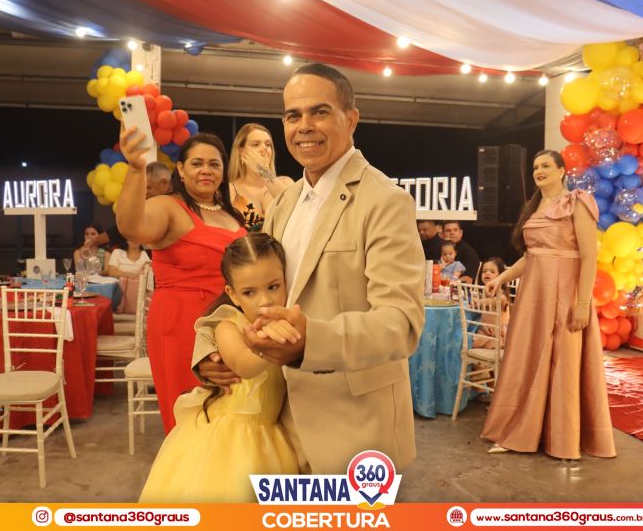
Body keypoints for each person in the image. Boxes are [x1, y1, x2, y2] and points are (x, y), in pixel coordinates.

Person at [196, 63, 425, 474]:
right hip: (280, 420)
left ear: (350, 119)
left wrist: (308, 342)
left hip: (353, 427)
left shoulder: (384, 200)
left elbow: (400, 323)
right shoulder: (284, 202)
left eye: (319, 112)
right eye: (292, 115)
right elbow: (249, 288)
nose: (304, 126)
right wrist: (209, 349)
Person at [139, 233, 298, 503]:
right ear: (232, 294)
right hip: (230, 441)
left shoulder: (287, 320)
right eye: (249, 292)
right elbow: (243, 364)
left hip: (271, 438)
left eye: (273, 286)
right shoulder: (228, 325)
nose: (265, 301)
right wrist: (273, 343)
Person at [481, 150, 616, 460]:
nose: (538, 171)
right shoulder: (535, 207)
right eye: (535, 167)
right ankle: (521, 428)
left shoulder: (577, 202)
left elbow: (589, 257)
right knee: (526, 358)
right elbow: (531, 256)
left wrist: (583, 303)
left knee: (562, 360)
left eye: (545, 166)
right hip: (534, 295)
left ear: (562, 170)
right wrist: (501, 277)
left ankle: (562, 437)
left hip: (566, 293)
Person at [117, 131, 246, 433]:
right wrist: (136, 169)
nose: (206, 170)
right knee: (193, 420)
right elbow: (131, 227)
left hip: (230, 325)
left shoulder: (231, 213)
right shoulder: (168, 206)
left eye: (214, 164)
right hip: (183, 326)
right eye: (197, 163)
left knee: (231, 418)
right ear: (181, 169)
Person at [85, 162, 173, 252]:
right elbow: (124, 228)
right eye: (143, 188)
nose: (145, 192)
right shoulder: (149, 203)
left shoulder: (174, 204)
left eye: (149, 188)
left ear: (164, 184)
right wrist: (94, 242)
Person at [228, 123, 294, 231]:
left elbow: (295, 208)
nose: (264, 148)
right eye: (256, 144)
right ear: (241, 152)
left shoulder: (285, 182)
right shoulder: (231, 189)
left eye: (268, 144)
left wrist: (262, 170)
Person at [473, 257, 510, 350]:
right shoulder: (481, 292)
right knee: (469, 335)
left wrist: (479, 302)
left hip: (498, 332)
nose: (487, 273)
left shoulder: (502, 295)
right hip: (485, 330)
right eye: (484, 271)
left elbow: (495, 301)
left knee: (472, 340)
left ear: (501, 276)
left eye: (492, 272)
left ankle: (494, 344)